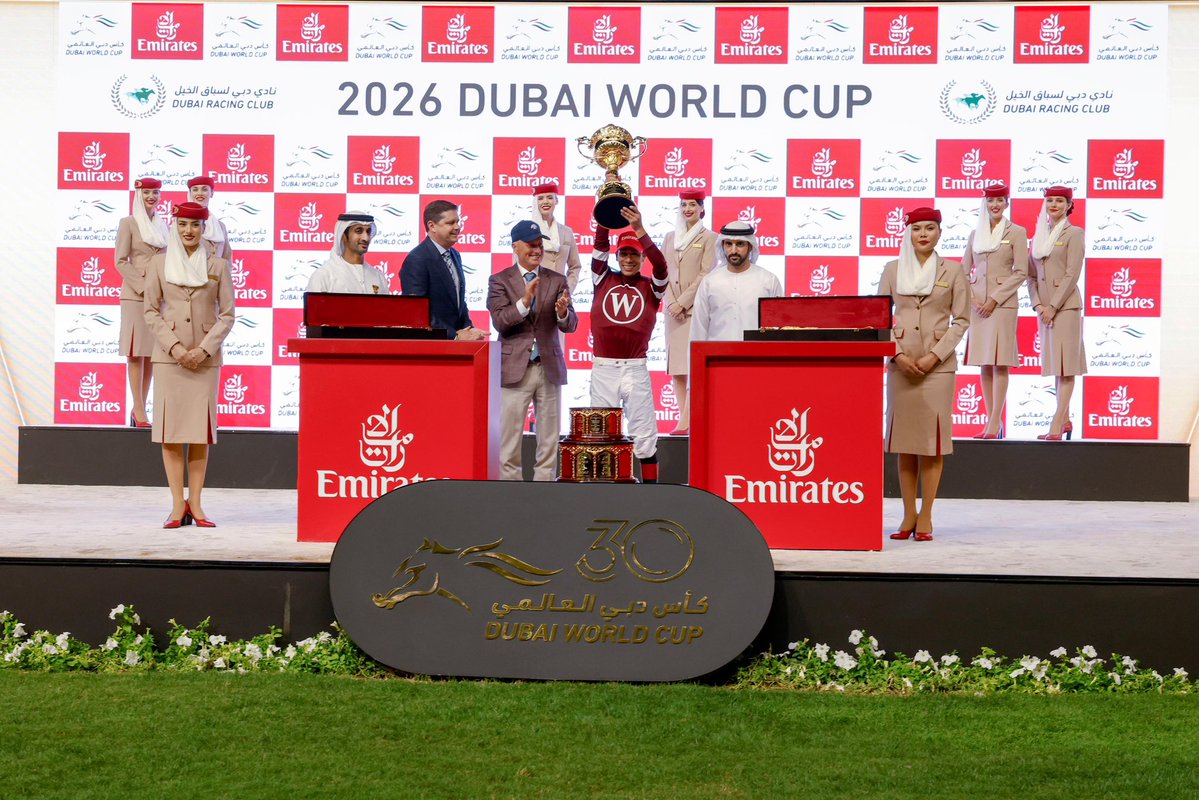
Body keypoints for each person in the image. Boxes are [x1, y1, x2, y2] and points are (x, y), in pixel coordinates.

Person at [877, 208, 969, 542]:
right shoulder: (892, 269)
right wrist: (897, 354)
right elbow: (879, 317)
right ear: (908, 233)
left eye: (930, 228)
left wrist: (935, 355)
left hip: (938, 369)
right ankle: (907, 515)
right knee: (905, 444)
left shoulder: (954, 270)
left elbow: (962, 320)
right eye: (917, 229)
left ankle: (926, 515)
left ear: (940, 233)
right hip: (901, 367)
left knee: (932, 444)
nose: (923, 234)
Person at [143, 202, 235, 529]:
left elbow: (228, 315)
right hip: (169, 359)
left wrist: (204, 350)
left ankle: (195, 504)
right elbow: (150, 311)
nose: (188, 231)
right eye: (183, 224)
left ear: (204, 228)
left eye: (195, 225)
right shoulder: (158, 263)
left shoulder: (218, 265)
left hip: (204, 361)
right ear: (175, 226)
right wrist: (176, 347)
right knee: (170, 433)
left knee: (199, 434)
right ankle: (175, 505)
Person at [486, 220, 578, 481]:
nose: (537, 250)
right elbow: (500, 322)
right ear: (515, 246)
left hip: (548, 369)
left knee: (549, 442)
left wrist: (562, 313)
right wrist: (524, 302)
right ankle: (510, 496)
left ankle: (544, 495)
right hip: (514, 370)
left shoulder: (557, 280)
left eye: (539, 245)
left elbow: (571, 324)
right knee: (508, 443)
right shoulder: (499, 280)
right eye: (531, 245)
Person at [588, 203, 669, 483]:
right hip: (604, 369)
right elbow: (600, 243)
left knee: (644, 437)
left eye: (635, 254)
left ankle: (650, 494)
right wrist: (606, 209)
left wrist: (639, 229)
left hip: (635, 369)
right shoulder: (602, 277)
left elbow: (662, 265)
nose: (629, 259)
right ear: (617, 256)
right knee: (600, 435)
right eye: (624, 254)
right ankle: (603, 492)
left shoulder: (653, 287)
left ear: (642, 257)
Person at [960, 184, 1028, 439]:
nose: (995, 205)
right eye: (991, 200)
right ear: (985, 203)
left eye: (1000, 200)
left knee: (1000, 363)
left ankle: (995, 421)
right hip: (977, 305)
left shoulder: (1017, 232)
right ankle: (992, 422)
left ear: (1007, 203)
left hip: (1002, 305)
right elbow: (962, 271)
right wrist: (973, 299)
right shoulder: (975, 234)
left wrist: (995, 299)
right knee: (985, 363)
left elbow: (1021, 271)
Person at [1027, 185, 1086, 440]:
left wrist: (1053, 306)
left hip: (1065, 307)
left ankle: (1056, 424)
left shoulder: (1074, 233)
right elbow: (1031, 276)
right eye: (1050, 200)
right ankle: (1066, 419)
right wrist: (1038, 305)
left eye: (1060, 201)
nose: (1054, 205)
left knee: (1067, 367)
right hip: (1045, 309)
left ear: (1069, 205)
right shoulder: (1039, 235)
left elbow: (1072, 274)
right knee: (1057, 366)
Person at [661, 190, 716, 435]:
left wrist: (682, 303)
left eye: (692, 204)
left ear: (702, 208)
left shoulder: (710, 238)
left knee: (692, 367)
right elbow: (661, 272)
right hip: (672, 312)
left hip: (694, 311)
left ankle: (688, 420)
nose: (688, 209)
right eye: (684, 205)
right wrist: (671, 303)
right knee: (676, 368)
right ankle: (684, 420)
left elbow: (706, 274)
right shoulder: (670, 237)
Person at [115, 177, 167, 428]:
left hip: (160, 297)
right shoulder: (128, 223)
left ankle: (141, 408)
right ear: (138, 194)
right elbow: (121, 260)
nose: (151, 197)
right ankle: (138, 408)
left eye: (155, 192)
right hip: (136, 296)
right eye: (147, 192)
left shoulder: (164, 225)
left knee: (151, 353)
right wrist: (144, 286)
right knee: (136, 353)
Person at [399, 200, 487, 340]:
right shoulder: (417, 259)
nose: (457, 227)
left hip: (456, 345)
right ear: (432, 226)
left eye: (457, 222)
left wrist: (469, 329)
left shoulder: (455, 255)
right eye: (450, 223)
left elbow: (458, 301)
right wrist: (455, 336)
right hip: (432, 346)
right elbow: (417, 312)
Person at [689, 220, 782, 344]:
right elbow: (698, 329)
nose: (733, 250)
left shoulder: (768, 280)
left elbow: (779, 329)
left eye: (740, 244)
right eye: (728, 244)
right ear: (722, 246)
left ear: (750, 246)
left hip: (756, 354)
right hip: (718, 354)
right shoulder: (709, 282)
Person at [306, 212, 388, 294]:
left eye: (368, 232)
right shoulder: (324, 276)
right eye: (358, 231)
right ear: (343, 236)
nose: (365, 238)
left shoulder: (378, 276)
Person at [531, 182, 581, 293]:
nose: (545, 202)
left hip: (560, 296)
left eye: (550, 197)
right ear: (535, 202)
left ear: (556, 201)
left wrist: (567, 290)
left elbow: (575, 266)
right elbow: (518, 268)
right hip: (535, 296)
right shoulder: (527, 231)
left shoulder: (567, 232)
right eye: (540, 198)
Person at [186, 176, 233, 262]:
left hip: (217, 271)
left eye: (204, 189)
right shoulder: (183, 224)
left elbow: (227, 258)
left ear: (212, 193)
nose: (200, 193)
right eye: (195, 190)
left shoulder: (220, 226)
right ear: (190, 193)